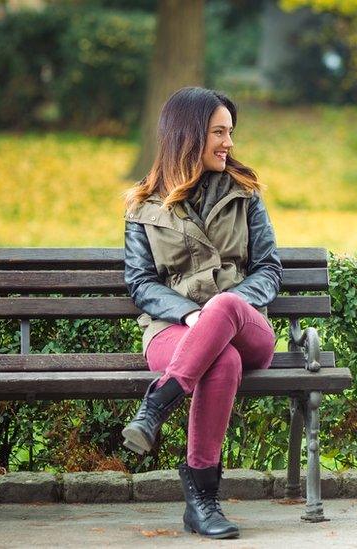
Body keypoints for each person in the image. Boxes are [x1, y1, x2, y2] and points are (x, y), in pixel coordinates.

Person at [121, 87, 282, 540]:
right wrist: (191, 316)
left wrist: (221, 309)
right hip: (173, 331)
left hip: (246, 324)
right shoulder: (143, 206)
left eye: (230, 132)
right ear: (188, 136)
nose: (229, 143)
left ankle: (157, 404)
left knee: (226, 305)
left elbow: (268, 268)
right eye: (219, 132)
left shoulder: (245, 193)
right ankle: (203, 503)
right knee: (221, 360)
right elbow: (141, 283)